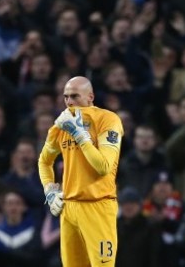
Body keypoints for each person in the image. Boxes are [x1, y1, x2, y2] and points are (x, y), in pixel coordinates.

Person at [38, 76, 124, 267]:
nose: (69, 102)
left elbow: (103, 166)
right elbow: (44, 161)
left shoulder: (107, 120)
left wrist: (79, 135)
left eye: (74, 96)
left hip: (98, 206)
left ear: (90, 96)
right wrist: (49, 191)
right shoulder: (60, 126)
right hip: (69, 209)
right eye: (65, 97)